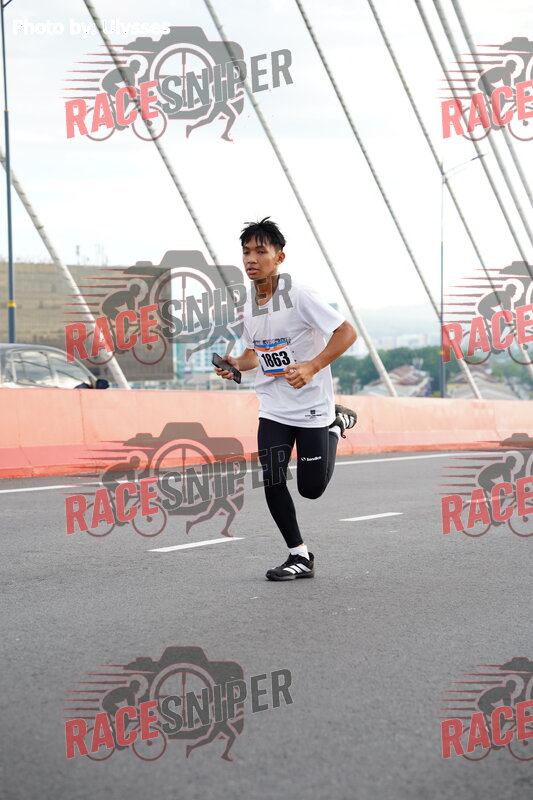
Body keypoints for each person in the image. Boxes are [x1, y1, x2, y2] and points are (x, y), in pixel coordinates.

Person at [214, 217, 358, 580]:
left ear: (279, 257)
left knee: (311, 489)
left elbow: (346, 332)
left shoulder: (299, 296)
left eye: (260, 252)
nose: (251, 259)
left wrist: (311, 367)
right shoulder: (246, 303)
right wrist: (236, 364)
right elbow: (255, 353)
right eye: (246, 252)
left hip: (311, 406)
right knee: (272, 478)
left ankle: (335, 424)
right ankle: (299, 555)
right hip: (274, 406)